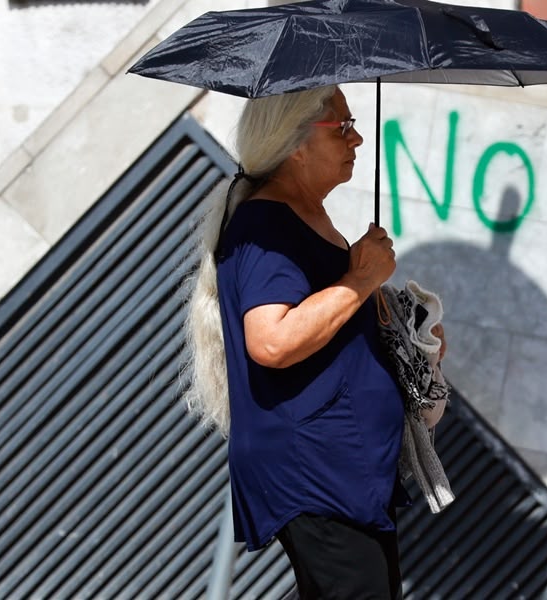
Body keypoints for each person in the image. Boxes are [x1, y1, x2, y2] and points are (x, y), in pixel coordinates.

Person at [182, 84, 442, 599]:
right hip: (316, 467)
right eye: (342, 127)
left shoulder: (301, 217)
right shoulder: (267, 222)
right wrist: (360, 279)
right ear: (295, 143)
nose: (357, 139)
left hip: (345, 467)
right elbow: (272, 341)